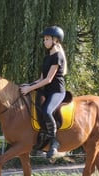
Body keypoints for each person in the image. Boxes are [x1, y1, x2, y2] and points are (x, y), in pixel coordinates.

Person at [20, 25, 67, 159]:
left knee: (47, 111)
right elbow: (41, 78)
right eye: (44, 39)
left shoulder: (57, 57)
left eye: (47, 39)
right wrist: (28, 85)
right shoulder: (47, 58)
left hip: (57, 91)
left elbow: (48, 79)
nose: (44, 42)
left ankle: (54, 141)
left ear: (55, 40)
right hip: (47, 91)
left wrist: (29, 89)